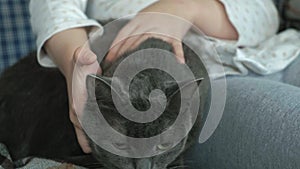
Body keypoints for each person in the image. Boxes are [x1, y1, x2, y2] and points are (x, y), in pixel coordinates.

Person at [29, 0, 300, 168]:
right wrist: (75, 59)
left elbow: (264, 14)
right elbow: (53, 6)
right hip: (218, 82)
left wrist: (185, 7)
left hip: (280, 51)